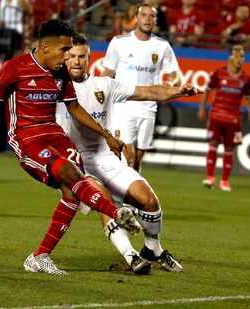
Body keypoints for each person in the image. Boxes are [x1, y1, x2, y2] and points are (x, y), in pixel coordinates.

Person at [0, 19, 142, 275]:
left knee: (72, 192)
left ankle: (39, 256)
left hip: (54, 134)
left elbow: (74, 108)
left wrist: (106, 134)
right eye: (64, 50)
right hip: (26, 138)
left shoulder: (60, 73)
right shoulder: (16, 67)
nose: (68, 57)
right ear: (45, 46)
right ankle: (115, 211)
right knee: (69, 173)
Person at [57, 34, 199, 274]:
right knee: (105, 203)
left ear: (90, 58)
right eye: (71, 56)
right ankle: (131, 256)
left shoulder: (105, 85)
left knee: (149, 201)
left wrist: (179, 92)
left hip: (108, 158)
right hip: (77, 163)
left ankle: (152, 249)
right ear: (64, 59)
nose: (76, 61)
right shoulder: (54, 90)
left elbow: (147, 92)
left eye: (81, 56)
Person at [103, 3, 179, 172]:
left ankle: (133, 191)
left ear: (155, 21)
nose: (147, 19)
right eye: (143, 15)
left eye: (151, 16)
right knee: (128, 156)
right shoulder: (119, 42)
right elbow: (107, 73)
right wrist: (98, 97)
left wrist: (171, 84)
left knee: (137, 159)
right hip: (124, 105)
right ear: (136, 18)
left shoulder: (162, 46)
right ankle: (125, 194)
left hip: (149, 107)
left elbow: (174, 75)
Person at [198, 44, 250, 192]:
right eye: (236, 56)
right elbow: (207, 90)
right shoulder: (219, 73)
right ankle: (210, 178)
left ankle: (224, 181)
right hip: (217, 116)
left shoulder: (246, 79)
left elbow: (249, 97)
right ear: (231, 57)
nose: (239, 59)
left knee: (229, 150)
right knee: (213, 145)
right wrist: (202, 107)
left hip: (234, 119)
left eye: (241, 56)